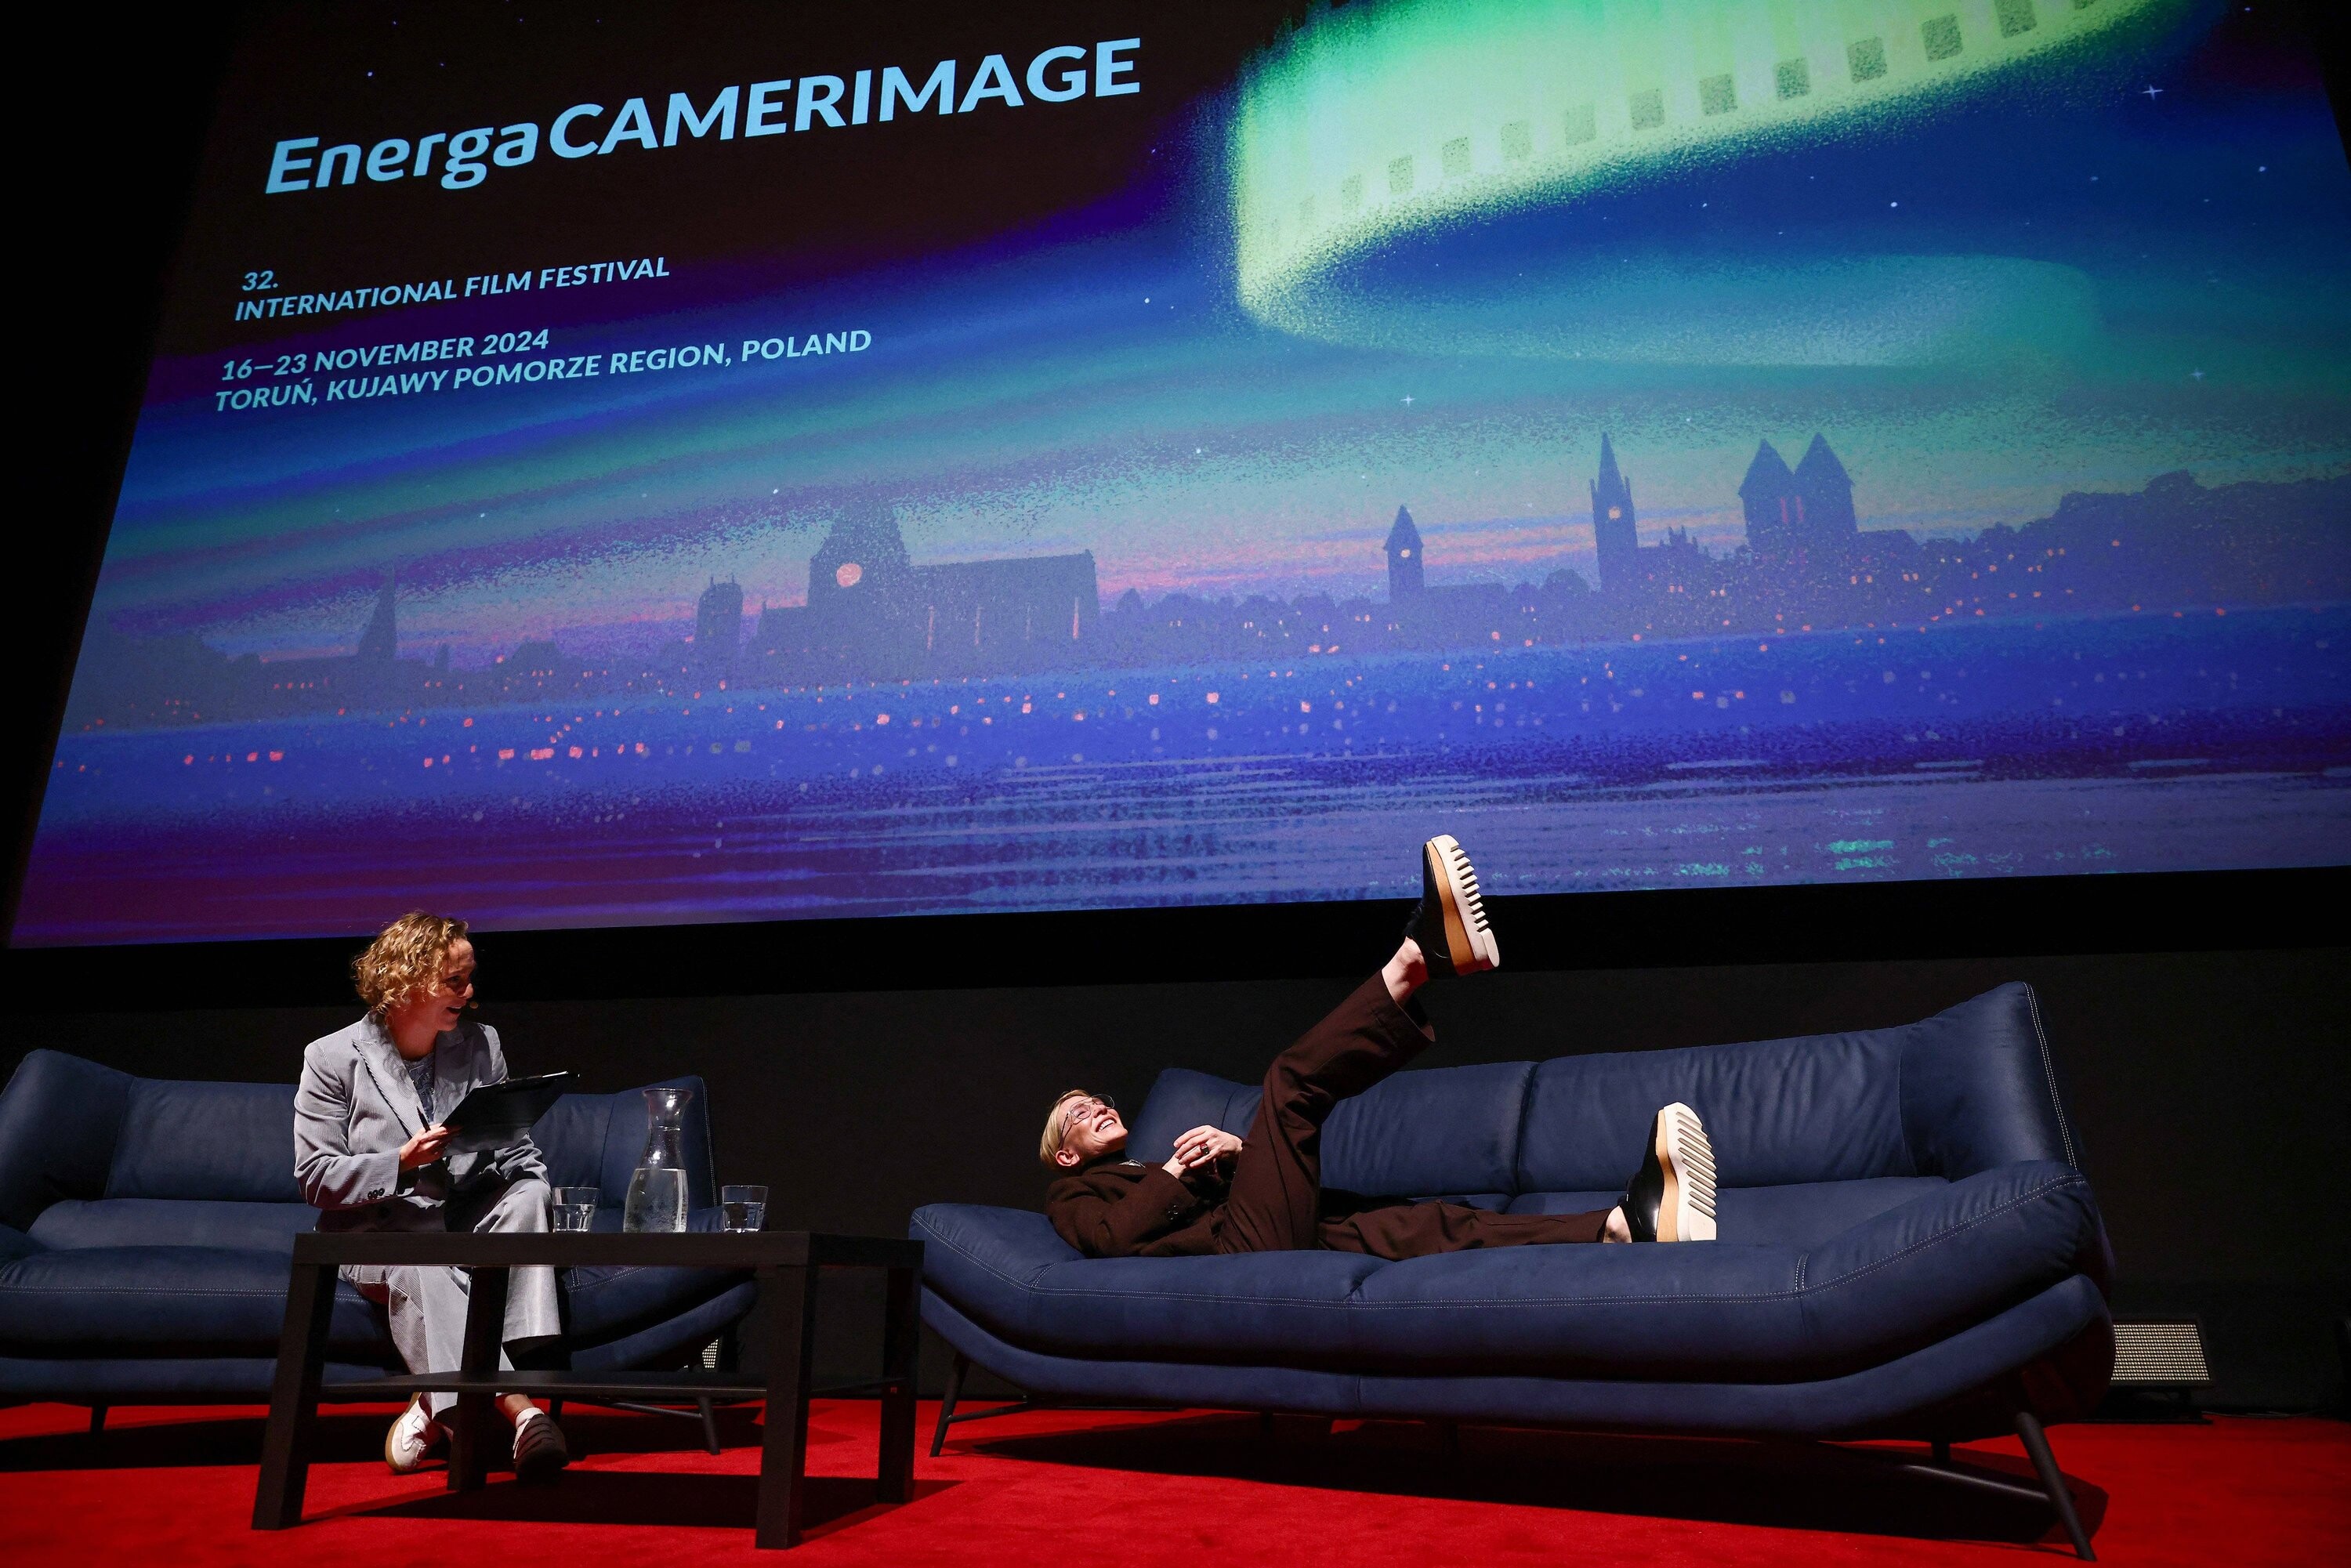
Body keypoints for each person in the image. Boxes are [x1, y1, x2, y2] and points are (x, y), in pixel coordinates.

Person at [1042, 835, 1718, 1258]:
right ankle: (1416, 960)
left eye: (1096, 1099)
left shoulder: (1143, 1165)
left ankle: (1623, 1225)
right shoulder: (1072, 1196)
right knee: (1290, 1084)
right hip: (1236, 1254)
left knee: (1431, 1224)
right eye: (1078, 1113)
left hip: (1277, 1230)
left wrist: (1240, 1156)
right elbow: (1112, 1238)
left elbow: (1247, 1198)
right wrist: (1175, 1171)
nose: (1098, 1107)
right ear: (1065, 1153)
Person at [292, 911, 571, 1480]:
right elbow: (315, 1176)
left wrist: (535, 1184)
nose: (470, 994)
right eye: (454, 981)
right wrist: (399, 1163)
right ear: (406, 981)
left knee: (528, 1195)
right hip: (381, 1235)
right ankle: (521, 1411)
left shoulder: (480, 1044)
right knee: (426, 1264)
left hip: (462, 1220)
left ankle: (431, 1401)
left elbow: (511, 1144)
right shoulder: (331, 1057)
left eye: (469, 979)